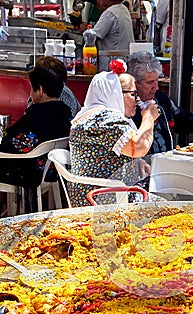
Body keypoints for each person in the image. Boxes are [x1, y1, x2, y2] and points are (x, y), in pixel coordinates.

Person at [68, 59, 160, 206]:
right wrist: (148, 117)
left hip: (111, 194)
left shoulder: (95, 116)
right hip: (103, 200)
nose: (137, 100)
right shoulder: (103, 119)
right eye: (133, 94)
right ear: (115, 93)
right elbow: (138, 147)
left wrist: (137, 163)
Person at [0, 66, 71, 214]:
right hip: (50, 170)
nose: (30, 93)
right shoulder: (64, 112)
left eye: (32, 89)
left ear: (40, 89)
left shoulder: (38, 115)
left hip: (28, 173)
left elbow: (16, 145)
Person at [126, 51, 193, 159]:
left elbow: (177, 116)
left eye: (157, 81)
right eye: (150, 83)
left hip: (166, 161)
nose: (156, 87)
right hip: (142, 165)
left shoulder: (160, 98)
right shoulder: (127, 108)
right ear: (134, 83)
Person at [93, 0, 134, 72]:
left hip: (113, 60)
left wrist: (86, 31)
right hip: (124, 58)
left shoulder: (109, 13)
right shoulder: (123, 9)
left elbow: (94, 36)